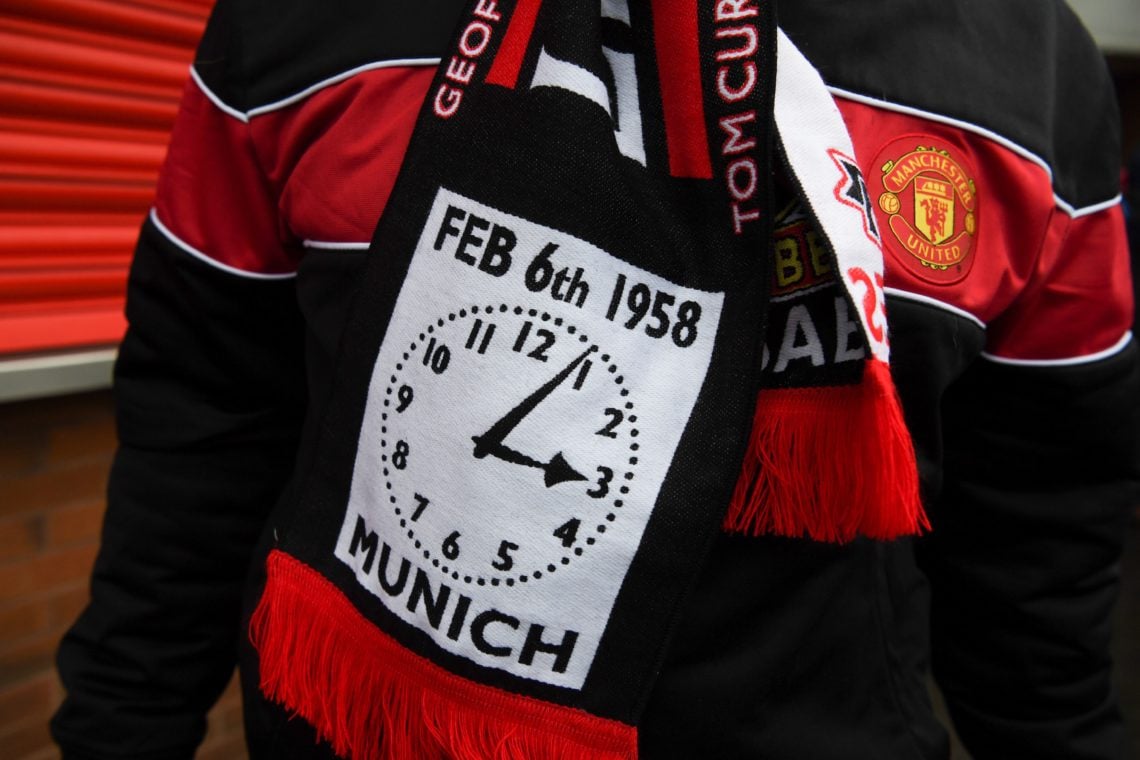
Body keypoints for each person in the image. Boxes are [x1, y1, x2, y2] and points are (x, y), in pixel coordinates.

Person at [51, 1, 1138, 758]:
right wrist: (119, 731)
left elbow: (1038, 538)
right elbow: (201, 425)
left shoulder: (1024, 64)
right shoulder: (305, 21)